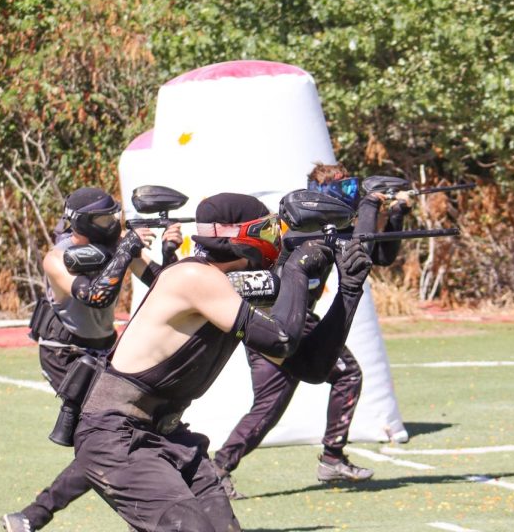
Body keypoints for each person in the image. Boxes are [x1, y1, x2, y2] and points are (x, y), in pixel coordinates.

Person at [66, 192, 373, 531]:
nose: (277, 241)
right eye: (271, 232)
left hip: (166, 435)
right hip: (117, 434)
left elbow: (312, 367)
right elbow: (281, 339)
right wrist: (297, 265)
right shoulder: (192, 277)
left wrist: (349, 291)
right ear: (245, 237)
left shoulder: (230, 288)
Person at [212, 163, 412, 496]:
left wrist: (396, 214)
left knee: (276, 402)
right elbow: (361, 244)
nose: (348, 197)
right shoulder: (301, 230)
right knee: (332, 379)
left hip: (291, 322)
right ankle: (329, 458)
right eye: (344, 190)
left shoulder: (323, 228)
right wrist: (369, 203)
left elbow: (378, 255)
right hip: (277, 322)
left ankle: (221, 467)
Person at [1, 187, 182, 532]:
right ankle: (33, 515)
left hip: (105, 349)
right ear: (82, 222)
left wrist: (169, 251)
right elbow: (96, 296)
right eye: (104, 219)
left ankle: (32, 516)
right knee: (105, 440)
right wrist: (126, 249)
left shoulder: (117, 246)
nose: (112, 223)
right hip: (65, 355)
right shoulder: (57, 258)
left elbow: (165, 288)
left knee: (119, 435)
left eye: (114, 216)